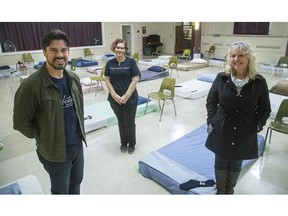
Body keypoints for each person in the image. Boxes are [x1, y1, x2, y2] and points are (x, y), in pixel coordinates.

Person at [13, 29, 86, 194]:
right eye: (53, 50)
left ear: (68, 52)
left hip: (77, 146)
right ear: (44, 52)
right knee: (61, 192)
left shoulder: (74, 79)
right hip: (55, 154)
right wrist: (44, 136)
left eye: (63, 50)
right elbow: (21, 123)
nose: (59, 55)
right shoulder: (31, 86)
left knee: (76, 185)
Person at [205, 41, 271, 194]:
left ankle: (230, 190)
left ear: (249, 58)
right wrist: (212, 120)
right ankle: (221, 191)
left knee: (236, 162)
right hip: (222, 127)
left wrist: (257, 126)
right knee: (220, 161)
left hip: (245, 130)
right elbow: (211, 101)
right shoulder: (222, 78)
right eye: (233, 55)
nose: (236, 59)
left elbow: (265, 109)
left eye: (241, 55)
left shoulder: (259, 82)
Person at [104, 39, 140, 154]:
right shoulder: (110, 63)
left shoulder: (131, 62)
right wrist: (115, 96)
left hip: (130, 99)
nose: (119, 50)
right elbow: (107, 80)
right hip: (115, 100)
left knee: (129, 122)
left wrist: (126, 96)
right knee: (121, 122)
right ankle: (123, 143)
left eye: (122, 48)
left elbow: (135, 79)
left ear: (125, 50)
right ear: (114, 48)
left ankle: (132, 143)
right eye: (117, 47)